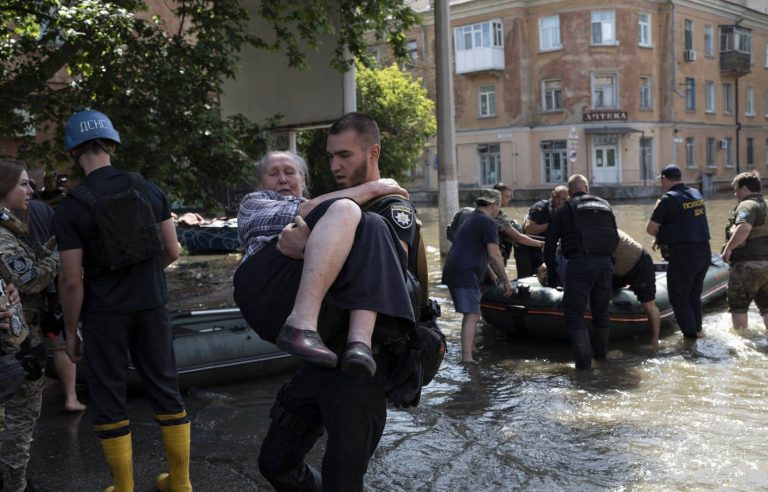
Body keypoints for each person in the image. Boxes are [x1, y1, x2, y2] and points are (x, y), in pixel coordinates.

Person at [257, 112, 423, 491]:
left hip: (361, 368)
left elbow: (390, 269)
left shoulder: (390, 207)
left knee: (343, 480)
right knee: (275, 462)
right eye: (330, 156)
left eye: (344, 155)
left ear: (372, 152)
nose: (334, 165)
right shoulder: (335, 202)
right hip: (319, 357)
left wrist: (309, 248)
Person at [53, 110, 191, 492]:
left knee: (109, 395)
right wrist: (145, 279)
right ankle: (180, 482)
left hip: (104, 315)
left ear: (74, 152)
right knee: (166, 387)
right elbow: (173, 251)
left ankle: (124, 487)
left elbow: (70, 280)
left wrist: (70, 332)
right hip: (152, 305)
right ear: (112, 144)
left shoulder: (71, 208)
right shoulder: (149, 188)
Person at [234, 150, 415, 376]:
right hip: (266, 288)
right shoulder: (253, 202)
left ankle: (359, 343)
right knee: (346, 208)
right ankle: (300, 324)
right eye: (273, 174)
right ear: (261, 183)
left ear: (303, 180)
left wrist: (307, 246)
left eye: (290, 172)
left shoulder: (326, 215)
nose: (282, 178)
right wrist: (375, 187)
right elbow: (307, 210)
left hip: (318, 298)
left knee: (373, 224)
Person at [0, 159, 60, 492]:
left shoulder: (11, 227)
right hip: (16, 339)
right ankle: (15, 484)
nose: (31, 190)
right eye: (23, 183)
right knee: (20, 417)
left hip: (21, 332)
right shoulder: (3, 236)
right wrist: (63, 252)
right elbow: (33, 279)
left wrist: (50, 247)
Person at [18, 189, 86, 413]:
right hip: (47, 289)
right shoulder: (44, 211)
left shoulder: (11, 216)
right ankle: (71, 397)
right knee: (57, 343)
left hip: (20, 294)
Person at [544, 174, 619, 371]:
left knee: (574, 315)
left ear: (569, 192)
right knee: (601, 312)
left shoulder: (566, 208)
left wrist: (551, 272)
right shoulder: (605, 205)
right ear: (587, 188)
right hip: (605, 263)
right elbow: (615, 236)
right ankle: (602, 359)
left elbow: (550, 243)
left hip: (580, 263)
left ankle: (584, 368)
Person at [443, 188, 513, 364]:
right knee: (473, 315)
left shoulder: (471, 218)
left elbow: (473, 248)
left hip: (456, 269)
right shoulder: (488, 222)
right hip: (464, 272)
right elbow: (495, 253)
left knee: (471, 313)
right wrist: (506, 281)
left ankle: (471, 348)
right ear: (494, 205)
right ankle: (467, 357)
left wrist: (489, 272)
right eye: (499, 206)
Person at [647, 164, 711, 339]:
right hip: (704, 253)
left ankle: (690, 342)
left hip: (684, 257)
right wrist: (664, 236)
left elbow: (651, 228)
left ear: (664, 179)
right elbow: (686, 222)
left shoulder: (667, 199)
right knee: (693, 296)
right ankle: (697, 331)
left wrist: (660, 236)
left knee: (679, 298)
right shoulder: (696, 194)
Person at [721, 171, 768, 330]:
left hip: (746, 266)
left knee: (739, 307)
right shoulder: (766, 205)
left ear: (745, 188)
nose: (735, 194)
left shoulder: (747, 205)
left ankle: (742, 340)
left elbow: (744, 227)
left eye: (736, 190)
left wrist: (728, 249)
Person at [612, 229, 661, 345]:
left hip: (639, 264)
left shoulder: (605, 231)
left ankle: (655, 341)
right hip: (616, 270)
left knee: (648, 304)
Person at [515, 185, 569, 277]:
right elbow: (529, 229)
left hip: (547, 248)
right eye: (558, 198)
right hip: (529, 248)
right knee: (526, 278)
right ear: (553, 195)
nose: (560, 202)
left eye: (564, 199)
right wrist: (551, 225)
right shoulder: (541, 207)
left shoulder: (565, 210)